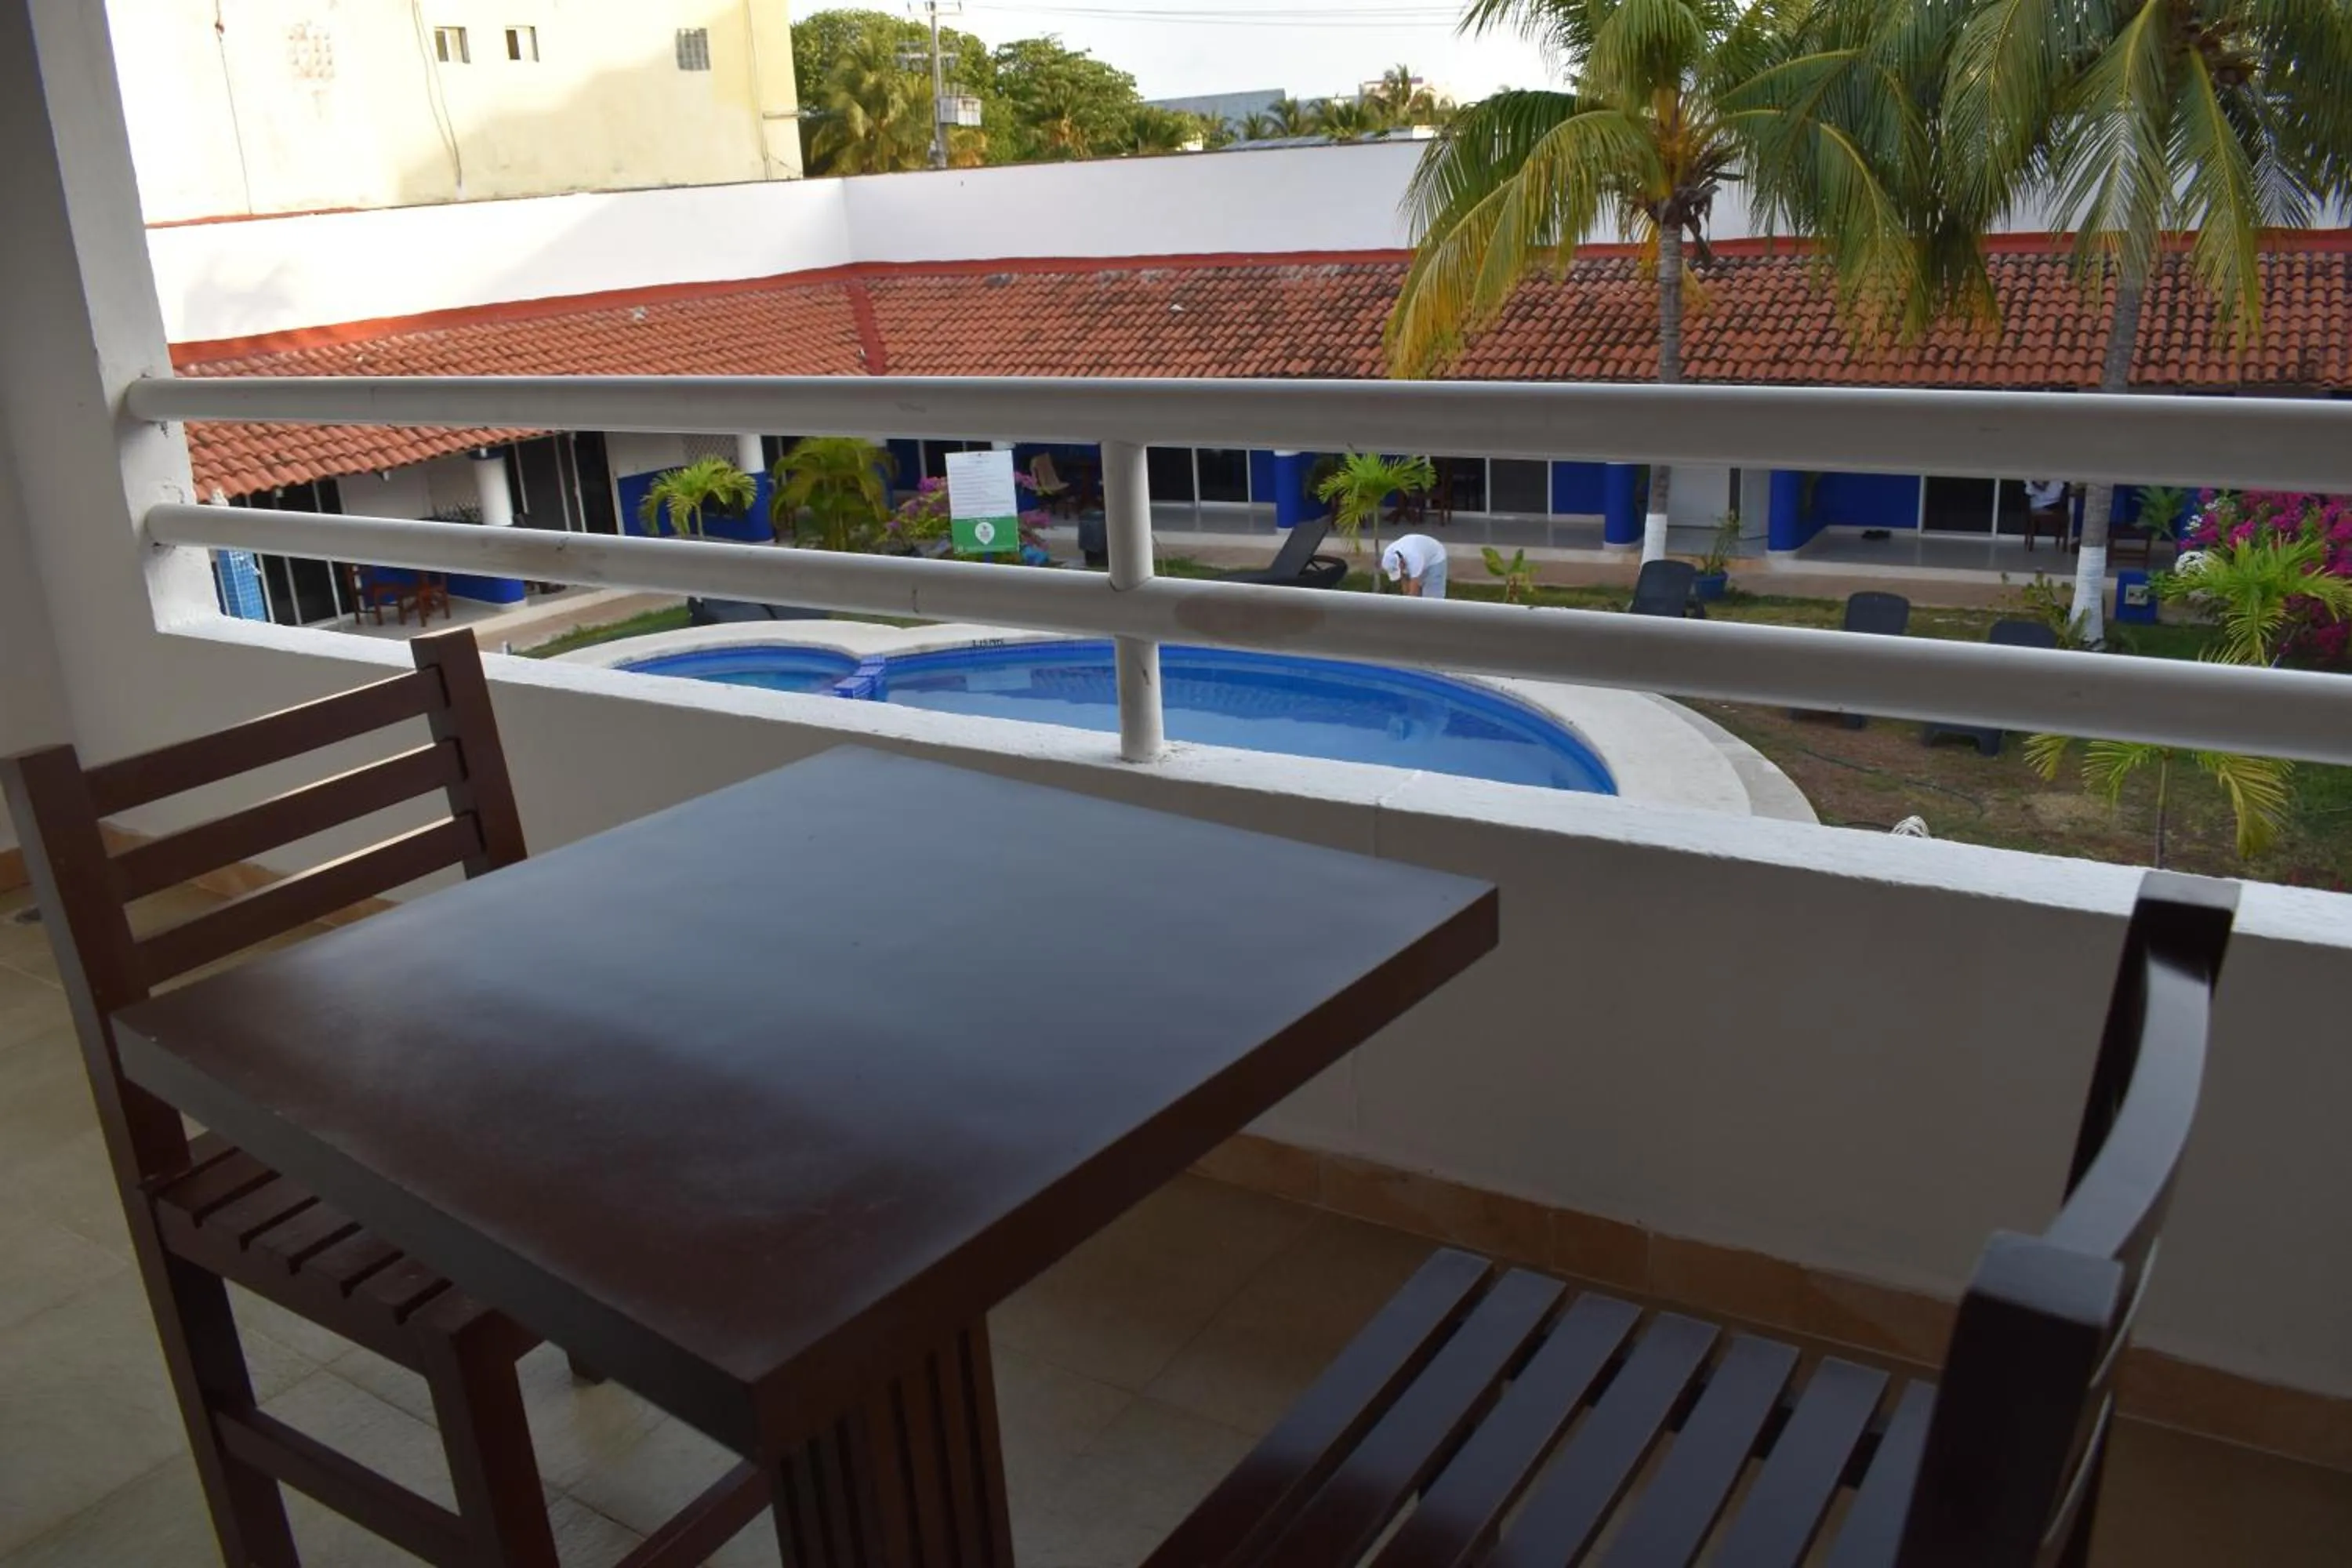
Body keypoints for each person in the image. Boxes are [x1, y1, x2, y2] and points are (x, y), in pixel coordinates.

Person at [1380, 532, 1449, 598]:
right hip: (1420, 555)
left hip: (1435, 558)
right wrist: (1405, 596)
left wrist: (1408, 606)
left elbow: (1414, 592)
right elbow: (1403, 578)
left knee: (1431, 601)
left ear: (1401, 562)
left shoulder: (1414, 557)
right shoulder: (1389, 553)